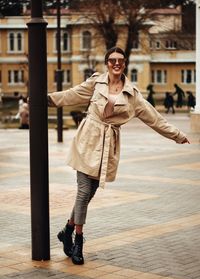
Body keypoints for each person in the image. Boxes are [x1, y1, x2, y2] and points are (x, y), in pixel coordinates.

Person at [47, 46, 190, 265]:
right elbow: (72, 95)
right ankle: (78, 240)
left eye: (120, 61)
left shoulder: (133, 96)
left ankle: (67, 230)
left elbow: (155, 118)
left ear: (124, 64)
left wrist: (177, 135)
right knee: (84, 191)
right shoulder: (96, 83)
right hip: (87, 141)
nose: (116, 63)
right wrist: (47, 99)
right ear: (107, 63)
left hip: (107, 147)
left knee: (89, 192)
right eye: (112, 60)